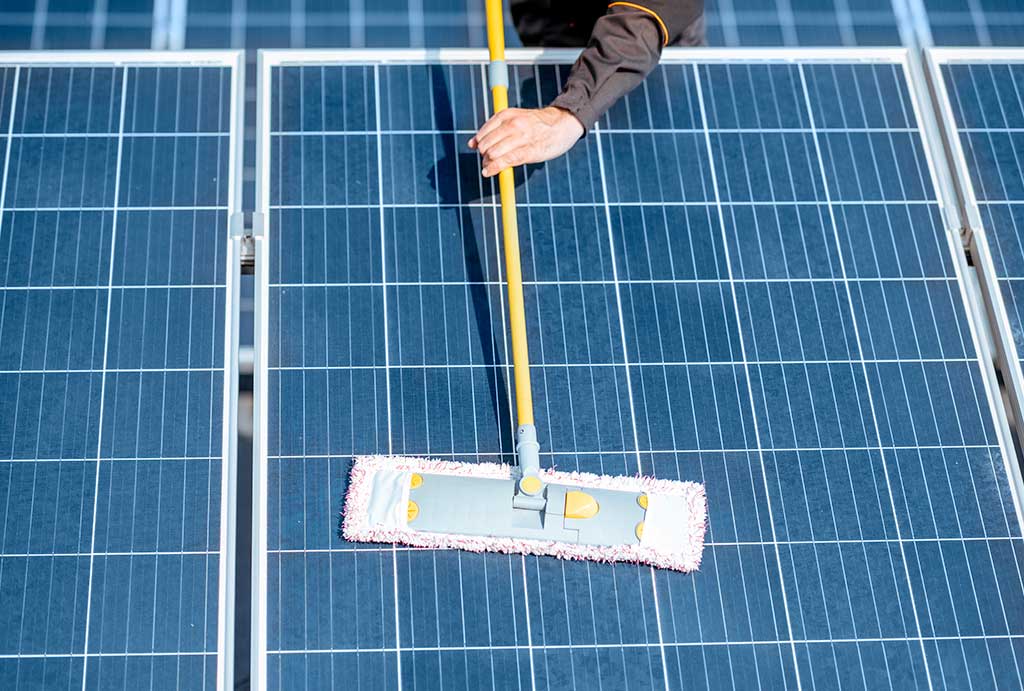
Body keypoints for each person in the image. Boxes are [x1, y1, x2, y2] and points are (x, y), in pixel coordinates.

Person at [469, 0, 705, 177]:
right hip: (555, 26)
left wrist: (567, 113)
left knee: (662, 170)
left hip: (653, 48)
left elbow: (642, 21)